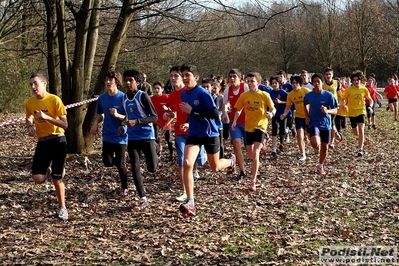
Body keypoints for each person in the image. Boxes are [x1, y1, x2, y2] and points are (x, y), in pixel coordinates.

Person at [178, 63, 236, 216]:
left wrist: (193, 112)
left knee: (215, 167)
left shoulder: (203, 93)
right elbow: (191, 114)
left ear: (195, 78)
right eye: (182, 75)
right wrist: (187, 122)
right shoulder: (183, 94)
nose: (184, 78)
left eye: (187, 75)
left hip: (210, 133)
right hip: (195, 134)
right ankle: (191, 201)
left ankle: (231, 161)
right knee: (187, 163)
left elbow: (214, 114)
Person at [25, 73, 69, 220]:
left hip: (58, 140)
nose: (33, 87)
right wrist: (30, 126)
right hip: (42, 141)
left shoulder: (54, 100)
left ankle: (62, 208)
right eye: (31, 84)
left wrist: (47, 118)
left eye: (36, 83)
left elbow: (65, 124)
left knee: (57, 180)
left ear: (44, 84)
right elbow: (29, 116)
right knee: (37, 178)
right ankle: (48, 171)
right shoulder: (30, 103)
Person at [164, 66, 206, 202]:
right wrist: (168, 116)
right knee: (182, 161)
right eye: (171, 76)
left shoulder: (189, 91)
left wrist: (189, 122)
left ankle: (203, 154)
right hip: (179, 132)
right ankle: (184, 191)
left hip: (195, 131)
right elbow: (175, 112)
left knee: (201, 160)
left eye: (176, 75)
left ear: (182, 77)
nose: (173, 78)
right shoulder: (171, 96)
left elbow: (197, 109)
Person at [118, 69, 158, 210]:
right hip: (133, 138)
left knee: (152, 168)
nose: (128, 83)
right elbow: (126, 116)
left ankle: (157, 149)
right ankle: (143, 198)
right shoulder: (123, 98)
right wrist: (122, 125)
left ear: (138, 82)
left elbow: (154, 117)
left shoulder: (143, 96)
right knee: (135, 168)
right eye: (126, 80)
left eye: (131, 80)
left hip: (147, 136)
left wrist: (138, 121)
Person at [232, 72, 275, 191]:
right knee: (251, 155)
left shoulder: (264, 95)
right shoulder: (244, 96)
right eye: (248, 81)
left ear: (258, 83)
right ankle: (262, 145)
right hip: (248, 127)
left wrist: (271, 113)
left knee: (256, 153)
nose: (250, 83)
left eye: (252, 81)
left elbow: (273, 108)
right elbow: (238, 110)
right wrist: (235, 121)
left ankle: (253, 181)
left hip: (261, 126)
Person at [91, 70, 128, 197]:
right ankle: (120, 160)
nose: (107, 82)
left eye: (110, 80)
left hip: (121, 135)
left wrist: (117, 115)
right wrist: (96, 123)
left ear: (116, 82)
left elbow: (128, 117)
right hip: (107, 133)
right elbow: (100, 114)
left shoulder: (123, 97)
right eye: (106, 79)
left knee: (120, 164)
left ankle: (124, 187)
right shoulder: (102, 98)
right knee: (107, 162)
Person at [304, 73, 338, 175]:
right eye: (314, 82)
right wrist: (307, 116)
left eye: (318, 82)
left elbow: (336, 110)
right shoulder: (308, 95)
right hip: (314, 122)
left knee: (325, 148)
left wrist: (327, 111)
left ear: (322, 83)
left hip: (326, 124)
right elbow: (305, 104)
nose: (316, 84)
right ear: (312, 83)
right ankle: (315, 142)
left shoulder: (328, 96)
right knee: (315, 143)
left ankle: (320, 165)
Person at [222, 68, 249, 179]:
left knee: (249, 149)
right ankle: (242, 170)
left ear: (240, 77)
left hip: (248, 121)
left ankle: (263, 140)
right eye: (230, 77)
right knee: (236, 144)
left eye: (234, 76)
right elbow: (224, 104)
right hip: (235, 122)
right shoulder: (227, 90)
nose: (232, 79)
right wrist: (224, 114)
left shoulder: (245, 87)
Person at [341, 70, 373, 156]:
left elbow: (370, 100)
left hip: (361, 111)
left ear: (360, 80)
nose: (356, 81)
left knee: (361, 129)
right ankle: (360, 139)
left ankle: (360, 149)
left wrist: (370, 106)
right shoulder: (349, 90)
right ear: (352, 81)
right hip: (351, 113)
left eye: (357, 80)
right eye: (354, 80)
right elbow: (343, 99)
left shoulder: (364, 89)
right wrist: (339, 105)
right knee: (356, 132)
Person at [281, 75, 311, 161]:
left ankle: (317, 147)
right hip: (298, 117)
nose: (294, 85)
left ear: (300, 84)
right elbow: (288, 106)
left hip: (309, 116)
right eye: (293, 83)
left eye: (296, 83)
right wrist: (284, 114)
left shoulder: (306, 91)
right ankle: (303, 153)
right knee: (299, 135)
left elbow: (314, 101)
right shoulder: (290, 95)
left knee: (311, 136)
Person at [150, 81, 174, 161]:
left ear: (162, 89)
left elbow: (173, 111)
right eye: (155, 88)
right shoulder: (152, 99)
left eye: (158, 88)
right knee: (155, 135)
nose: (156, 90)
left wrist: (167, 110)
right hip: (156, 120)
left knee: (168, 139)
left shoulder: (166, 98)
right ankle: (158, 147)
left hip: (166, 121)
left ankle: (171, 154)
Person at [202, 78, 224, 158]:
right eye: (203, 87)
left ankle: (221, 158)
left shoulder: (215, 97)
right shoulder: (201, 98)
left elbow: (216, 112)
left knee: (220, 143)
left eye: (207, 86)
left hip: (217, 125)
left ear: (212, 87)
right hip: (206, 125)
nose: (205, 89)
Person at [268, 76, 289, 157]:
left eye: (275, 83)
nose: (274, 85)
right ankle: (274, 149)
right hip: (274, 114)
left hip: (282, 114)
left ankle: (282, 143)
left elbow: (289, 103)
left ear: (279, 83)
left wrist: (281, 102)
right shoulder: (270, 93)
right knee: (274, 131)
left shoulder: (283, 93)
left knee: (282, 130)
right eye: (272, 83)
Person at [323, 68, 342, 149]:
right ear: (324, 75)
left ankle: (332, 141)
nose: (328, 76)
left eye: (329, 74)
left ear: (332, 75)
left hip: (334, 106)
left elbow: (341, 95)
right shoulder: (323, 84)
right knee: (329, 123)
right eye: (326, 74)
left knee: (331, 123)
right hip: (325, 106)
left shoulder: (336, 83)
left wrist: (339, 103)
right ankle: (336, 134)